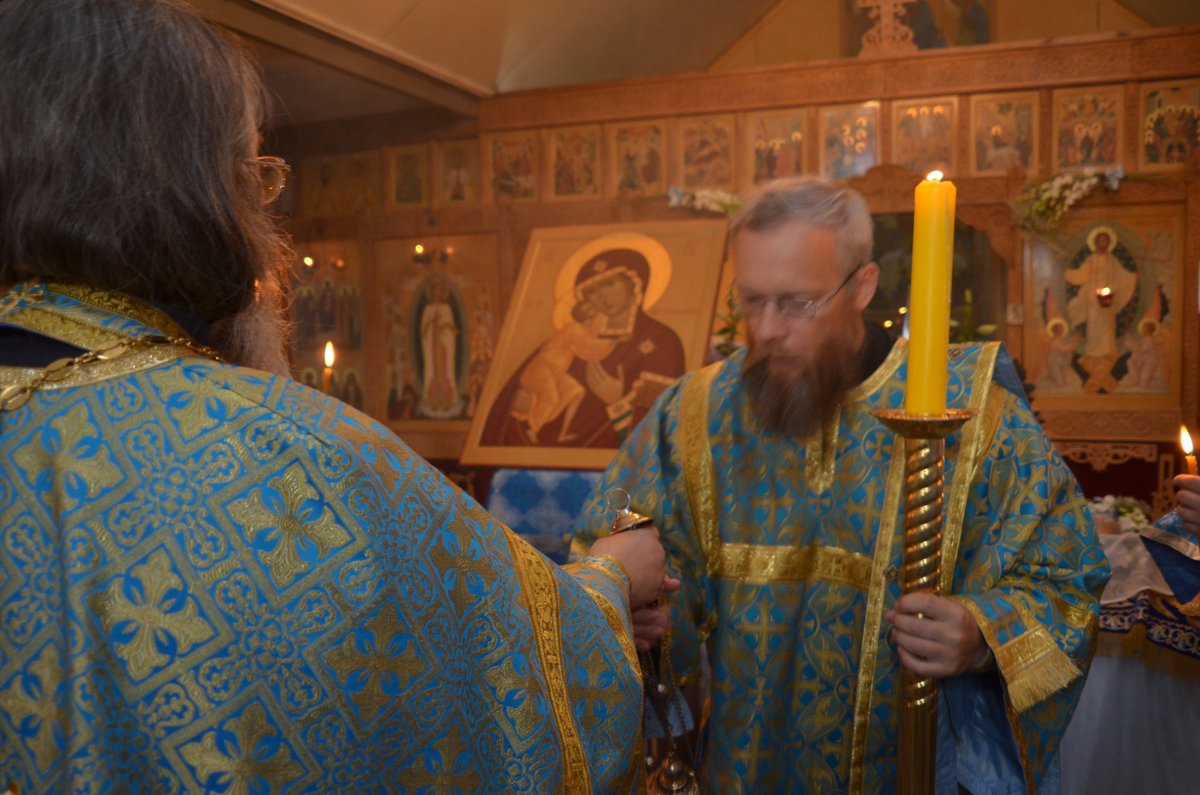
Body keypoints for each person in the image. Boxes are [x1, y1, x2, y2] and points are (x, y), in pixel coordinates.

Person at [0, 1, 670, 791]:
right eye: (255, 178)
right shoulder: (301, 459)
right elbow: (517, 675)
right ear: (203, 194)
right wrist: (612, 580)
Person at [572, 176, 1110, 793]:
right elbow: (615, 547)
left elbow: (1067, 580)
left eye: (796, 303)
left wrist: (983, 634)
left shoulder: (974, 416)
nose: (767, 328)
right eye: (751, 301)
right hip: (741, 771)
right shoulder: (692, 414)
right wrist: (642, 610)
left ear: (862, 286)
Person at [481, 246, 686, 449]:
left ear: (634, 281)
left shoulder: (660, 340)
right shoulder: (576, 337)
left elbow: (659, 423)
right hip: (540, 452)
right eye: (591, 291)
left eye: (608, 283)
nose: (601, 296)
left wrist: (618, 400)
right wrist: (523, 403)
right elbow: (517, 398)